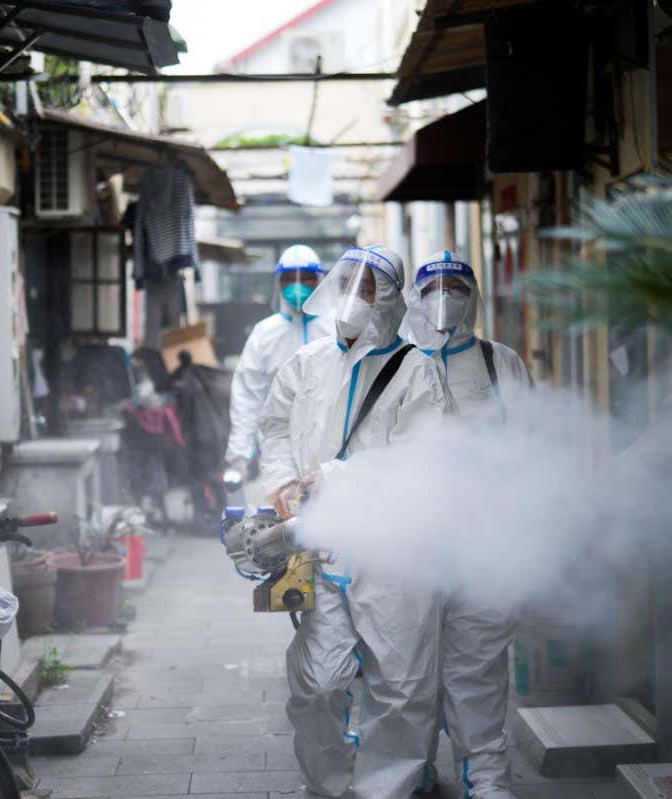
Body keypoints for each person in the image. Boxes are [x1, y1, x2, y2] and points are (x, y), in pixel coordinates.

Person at [258, 245, 447, 799]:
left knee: (401, 683)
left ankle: (386, 788)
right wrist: (278, 484)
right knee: (318, 682)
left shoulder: (417, 371)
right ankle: (331, 784)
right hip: (319, 545)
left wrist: (340, 477)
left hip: (394, 550)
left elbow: (422, 456)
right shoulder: (307, 363)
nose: (353, 299)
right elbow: (272, 427)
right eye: (346, 284)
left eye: (368, 289)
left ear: (390, 300)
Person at [402, 249, 531, 799]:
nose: (444, 299)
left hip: (485, 542)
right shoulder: (398, 364)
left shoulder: (500, 363)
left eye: (456, 287)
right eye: (432, 289)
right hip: (411, 543)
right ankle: (415, 768)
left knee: (476, 669)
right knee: (409, 670)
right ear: (413, 298)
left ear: (473, 297)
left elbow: (530, 449)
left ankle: (488, 779)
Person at [225, 244, 332, 486]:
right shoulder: (265, 334)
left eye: (306, 279)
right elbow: (247, 396)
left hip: (332, 444)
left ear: (320, 280)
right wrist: (239, 454)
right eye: (288, 280)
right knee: (285, 514)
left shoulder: (338, 327)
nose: (297, 287)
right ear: (278, 284)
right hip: (280, 449)